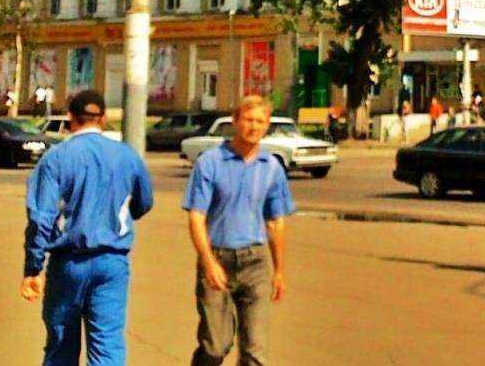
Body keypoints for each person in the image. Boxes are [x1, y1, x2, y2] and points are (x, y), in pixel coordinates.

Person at [21, 90, 154, 366]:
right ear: (103, 119)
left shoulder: (56, 158)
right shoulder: (127, 156)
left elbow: (41, 219)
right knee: (107, 345)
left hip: (68, 263)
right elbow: (144, 202)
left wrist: (33, 267)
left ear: (70, 117)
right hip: (112, 263)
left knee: (61, 346)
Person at [183, 95, 294, 366]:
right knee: (215, 347)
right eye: (248, 120)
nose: (253, 127)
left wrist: (279, 270)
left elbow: (276, 221)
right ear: (235, 121)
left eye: (260, 121)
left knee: (255, 353)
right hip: (217, 259)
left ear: (267, 125)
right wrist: (208, 262)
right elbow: (196, 216)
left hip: (255, 263)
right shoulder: (210, 162)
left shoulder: (272, 167)